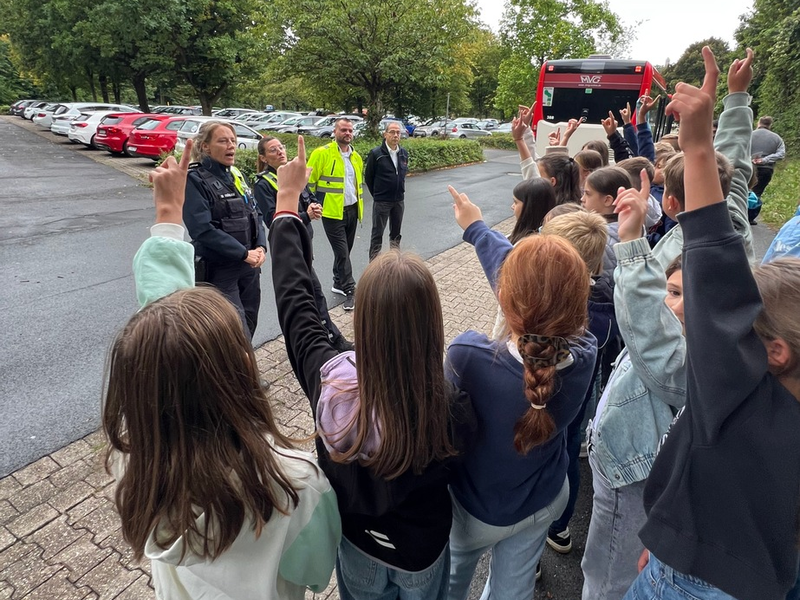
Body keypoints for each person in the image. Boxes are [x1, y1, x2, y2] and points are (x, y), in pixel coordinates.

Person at [104, 140, 341, 600]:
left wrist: (168, 220)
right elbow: (316, 569)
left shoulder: (135, 460)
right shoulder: (292, 480)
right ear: (237, 370)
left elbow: (167, 347)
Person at [623, 47, 800, 600]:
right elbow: (728, 217)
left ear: (773, 352)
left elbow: (715, 266)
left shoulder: (735, 394)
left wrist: (697, 147)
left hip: (688, 582)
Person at [270, 136, 476, 600]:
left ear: (364, 319)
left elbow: (298, 308)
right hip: (422, 551)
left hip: (358, 544)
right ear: (431, 322)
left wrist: (286, 207)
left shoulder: (333, 385)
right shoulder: (452, 403)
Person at [446, 186, 597, 600]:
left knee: (450, 585)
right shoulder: (586, 353)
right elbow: (543, 298)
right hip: (542, 501)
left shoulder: (469, 354)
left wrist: (477, 228)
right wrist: (477, 229)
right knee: (512, 591)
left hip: (475, 510)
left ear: (505, 296)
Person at [581, 168, 687, 600]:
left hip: (630, 478)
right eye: (667, 287)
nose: (665, 299)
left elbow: (644, 322)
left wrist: (629, 239)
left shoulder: (681, 363)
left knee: (608, 577)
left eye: (678, 293)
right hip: (622, 466)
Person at [254, 136, 353, 352]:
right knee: (313, 294)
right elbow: (274, 219)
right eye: (273, 150)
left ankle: (322, 337)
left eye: (281, 147)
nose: (280, 151)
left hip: (305, 243)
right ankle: (331, 340)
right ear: (263, 158)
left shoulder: (295, 175)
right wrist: (306, 215)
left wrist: (314, 207)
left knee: (312, 294)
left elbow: (308, 198)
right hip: (290, 249)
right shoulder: (263, 184)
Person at [182, 120, 266, 339]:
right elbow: (202, 229)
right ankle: (244, 372)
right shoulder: (194, 179)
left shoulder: (236, 174)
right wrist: (244, 253)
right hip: (220, 271)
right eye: (223, 141)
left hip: (249, 267)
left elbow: (255, 213)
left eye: (233, 141)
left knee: (249, 321)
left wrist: (261, 247)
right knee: (234, 330)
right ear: (205, 146)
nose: (231, 145)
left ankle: (243, 368)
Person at [307, 118, 364, 311]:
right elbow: (308, 182)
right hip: (331, 212)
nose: (347, 133)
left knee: (345, 252)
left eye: (350, 130)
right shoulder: (322, 153)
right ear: (335, 131)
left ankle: (338, 282)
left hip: (352, 209)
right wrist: (312, 204)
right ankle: (350, 290)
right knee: (341, 252)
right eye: (343, 130)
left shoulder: (356, 157)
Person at [364, 121, 409, 260]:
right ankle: (373, 266)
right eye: (392, 132)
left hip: (398, 200)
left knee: (396, 234)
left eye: (398, 133)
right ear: (385, 134)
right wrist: (378, 194)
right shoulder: (376, 154)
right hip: (382, 201)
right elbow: (368, 177)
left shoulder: (403, 154)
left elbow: (402, 174)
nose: (395, 135)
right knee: (377, 234)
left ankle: (395, 262)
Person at [751, 115, 786, 198]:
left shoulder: (749, 135)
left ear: (758, 123)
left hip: (749, 168)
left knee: (744, 192)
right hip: (766, 170)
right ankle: (752, 209)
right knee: (756, 194)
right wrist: (765, 160)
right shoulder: (777, 138)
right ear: (770, 125)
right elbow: (781, 154)